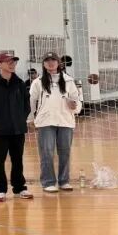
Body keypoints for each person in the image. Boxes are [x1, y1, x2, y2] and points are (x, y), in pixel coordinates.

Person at [0, 53, 33, 202]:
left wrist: (21, 119)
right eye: (8, 61)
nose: (12, 64)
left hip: (18, 130)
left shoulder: (19, 83)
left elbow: (26, 104)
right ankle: (0, 190)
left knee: (18, 160)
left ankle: (20, 188)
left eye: (14, 61)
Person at [28, 52, 83, 193]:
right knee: (46, 152)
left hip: (65, 121)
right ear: (43, 64)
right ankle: (48, 182)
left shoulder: (69, 81)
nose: (50, 62)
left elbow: (77, 100)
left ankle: (64, 181)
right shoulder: (38, 82)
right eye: (47, 60)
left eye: (53, 60)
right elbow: (31, 102)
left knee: (65, 152)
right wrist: (30, 119)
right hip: (45, 122)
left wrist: (75, 107)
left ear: (59, 63)